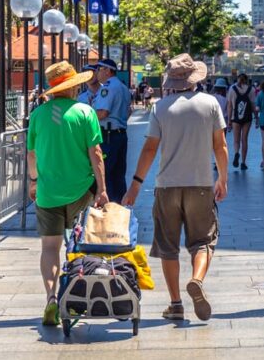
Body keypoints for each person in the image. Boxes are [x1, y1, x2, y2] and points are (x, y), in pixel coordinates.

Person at [123, 54, 228, 322]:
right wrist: (222, 179)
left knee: (168, 246)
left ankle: (176, 303)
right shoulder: (211, 104)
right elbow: (221, 146)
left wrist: (135, 185)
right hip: (201, 184)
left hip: (167, 186)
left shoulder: (160, 108)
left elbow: (149, 149)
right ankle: (197, 279)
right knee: (203, 241)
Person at [27, 61, 108, 326]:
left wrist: (33, 182)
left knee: (50, 247)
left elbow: (31, 154)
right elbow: (95, 154)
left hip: (48, 192)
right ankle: (73, 298)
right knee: (78, 247)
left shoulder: (39, 115)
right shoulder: (85, 112)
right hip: (80, 192)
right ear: (73, 87)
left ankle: (51, 297)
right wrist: (102, 189)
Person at [93, 59, 132, 202]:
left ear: (108, 71)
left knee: (106, 174)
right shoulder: (123, 87)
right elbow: (129, 112)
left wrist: (87, 118)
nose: (97, 72)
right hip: (120, 134)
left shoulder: (107, 88)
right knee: (118, 175)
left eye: (99, 69)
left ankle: (107, 210)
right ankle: (120, 208)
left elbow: (102, 113)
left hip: (108, 136)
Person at [227, 73, 256, 170]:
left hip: (236, 117)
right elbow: (253, 105)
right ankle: (243, 162)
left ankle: (236, 153)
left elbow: (230, 105)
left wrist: (229, 120)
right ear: (247, 80)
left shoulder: (232, 89)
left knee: (236, 139)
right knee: (244, 139)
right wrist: (256, 117)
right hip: (247, 117)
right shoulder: (251, 89)